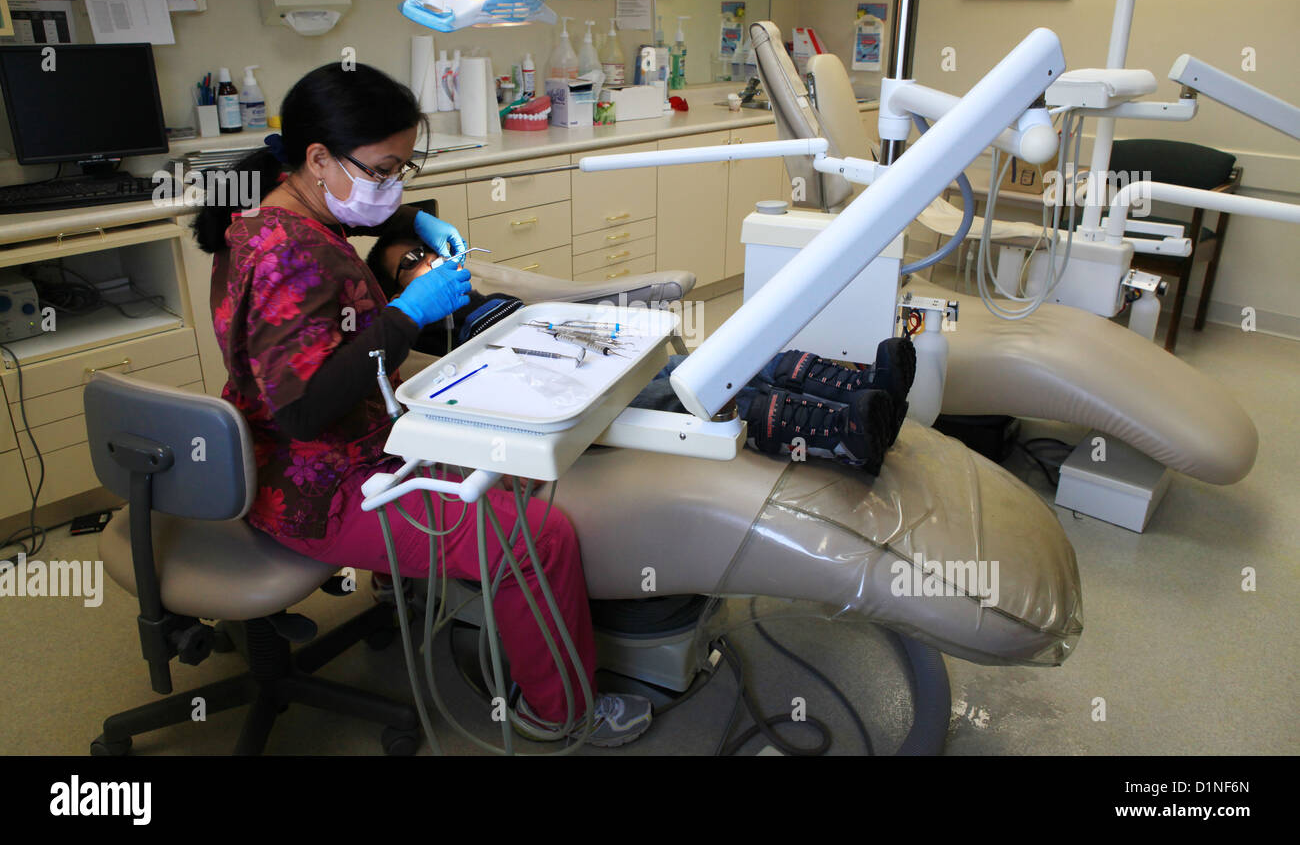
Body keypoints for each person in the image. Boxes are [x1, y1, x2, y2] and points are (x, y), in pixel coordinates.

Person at [191, 62, 651, 748]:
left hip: (311, 453)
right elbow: (303, 411)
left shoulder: (270, 208)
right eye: (383, 170)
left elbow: (353, 219)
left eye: (403, 167)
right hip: (322, 485)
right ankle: (558, 711)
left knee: (522, 456)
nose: (393, 185)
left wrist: (415, 221)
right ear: (318, 158)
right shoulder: (293, 257)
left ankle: (409, 588)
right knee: (539, 541)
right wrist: (407, 314)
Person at [366, 232, 916, 470]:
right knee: (708, 399)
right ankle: (846, 435)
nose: (429, 262)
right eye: (409, 263)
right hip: (574, 400)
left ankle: (862, 388)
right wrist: (412, 310)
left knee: (721, 364)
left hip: (599, 360)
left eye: (426, 250)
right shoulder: (417, 334)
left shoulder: (479, 293)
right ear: (397, 293)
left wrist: (421, 233)